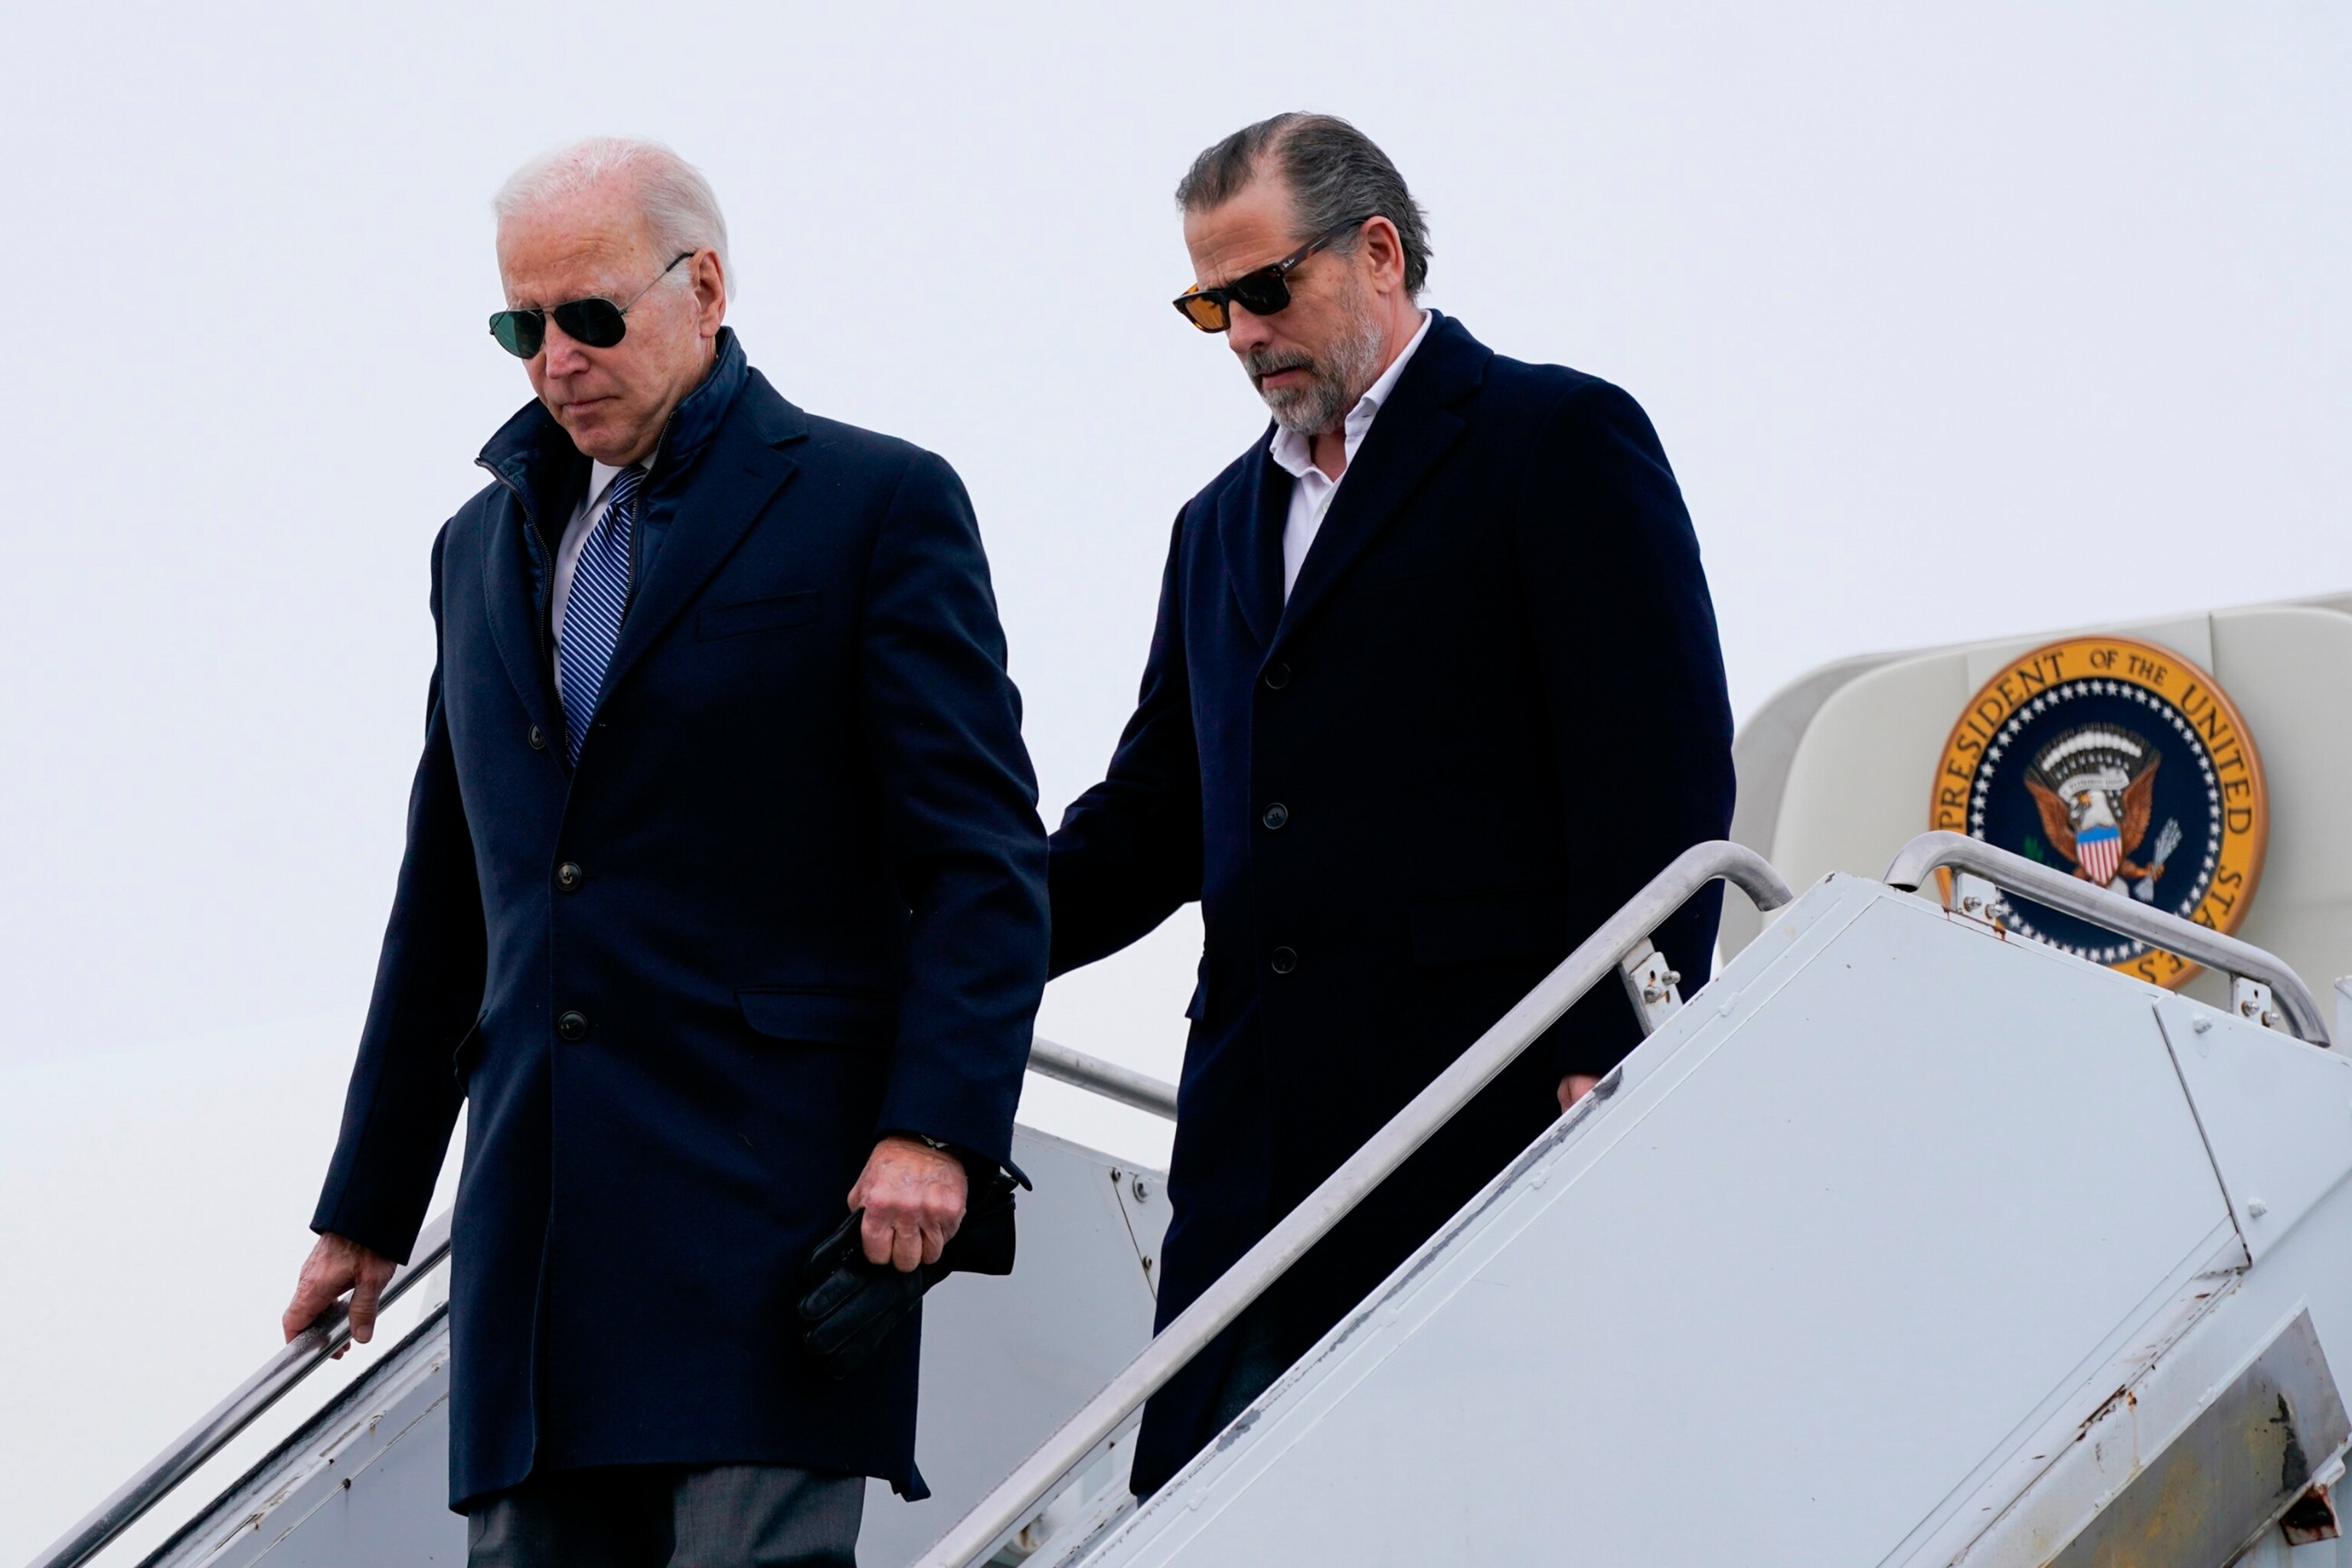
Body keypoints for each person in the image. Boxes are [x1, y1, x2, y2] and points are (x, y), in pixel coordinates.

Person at [279, 137, 1049, 1566]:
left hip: (772, 1215)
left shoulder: (873, 503)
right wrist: (368, 1209)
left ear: (703, 287)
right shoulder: (474, 549)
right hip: (542, 1244)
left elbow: (983, 858)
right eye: (523, 328)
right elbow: (448, 901)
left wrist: (937, 1131)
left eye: (590, 318)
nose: (554, 361)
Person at [1048, 113, 1736, 1498]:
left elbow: (1655, 773)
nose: (1241, 333)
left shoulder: (1554, 439)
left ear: (1377, 252)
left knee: (1463, 1507)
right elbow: (1152, 822)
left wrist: (1613, 1057)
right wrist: (940, 925)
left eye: (1264, 289)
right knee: (1208, 1517)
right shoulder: (1214, 527)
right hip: (1250, 1170)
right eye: (1209, 305)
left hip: (1489, 1118)